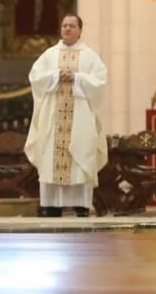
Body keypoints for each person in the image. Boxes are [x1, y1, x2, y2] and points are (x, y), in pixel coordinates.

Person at [24, 14, 107, 217]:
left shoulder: (90, 56)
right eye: (64, 26)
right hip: (54, 118)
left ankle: (81, 206)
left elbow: (100, 81)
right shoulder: (50, 55)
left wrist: (77, 78)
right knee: (51, 156)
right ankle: (51, 206)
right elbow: (34, 77)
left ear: (80, 30)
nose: (67, 29)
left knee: (80, 156)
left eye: (71, 26)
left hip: (80, 119)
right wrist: (55, 76)